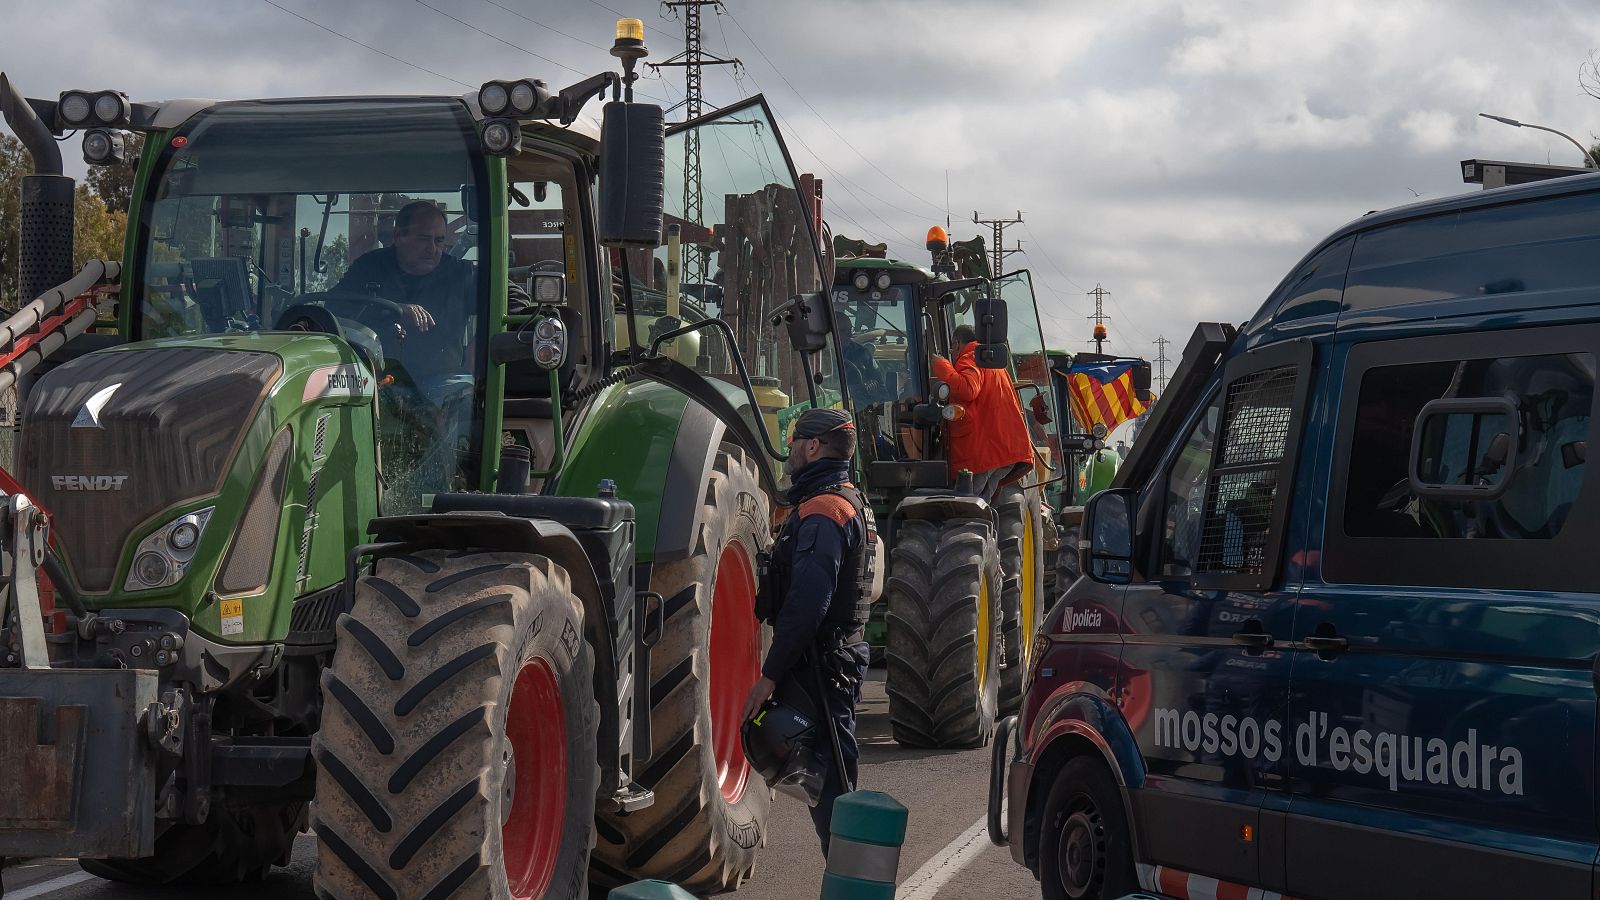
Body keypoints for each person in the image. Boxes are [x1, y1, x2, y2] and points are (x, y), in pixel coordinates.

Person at [743, 408, 874, 856]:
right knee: (829, 781)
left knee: (832, 785)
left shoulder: (824, 512)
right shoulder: (841, 499)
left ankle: (850, 878)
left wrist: (770, 676)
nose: (791, 447)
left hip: (824, 665)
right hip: (831, 659)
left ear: (813, 446)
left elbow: (807, 604)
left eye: (796, 439)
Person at [930, 324, 1034, 502]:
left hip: (983, 452)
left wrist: (940, 364)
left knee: (967, 505)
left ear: (956, 344)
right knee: (982, 504)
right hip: (1003, 450)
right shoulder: (991, 361)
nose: (953, 355)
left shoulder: (970, 357)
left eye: (952, 349)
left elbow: (968, 389)